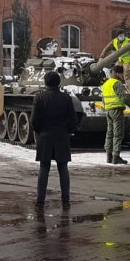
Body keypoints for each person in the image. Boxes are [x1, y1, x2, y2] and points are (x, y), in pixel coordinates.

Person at [30, 71, 79, 210]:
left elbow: (34, 121)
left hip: (45, 137)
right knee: (63, 168)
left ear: (45, 83)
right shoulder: (66, 98)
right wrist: (67, 131)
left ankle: (40, 202)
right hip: (62, 136)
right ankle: (66, 201)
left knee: (44, 168)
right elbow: (73, 120)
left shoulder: (39, 98)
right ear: (59, 82)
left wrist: (40, 132)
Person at [102, 64, 130, 164]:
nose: (123, 76)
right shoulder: (117, 83)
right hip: (117, 110)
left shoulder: (106, 84)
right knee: (118, 133)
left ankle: (109, 156)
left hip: (108, 110)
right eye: (122, 74)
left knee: (109, 133)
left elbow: (103, 99)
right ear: (118, 73)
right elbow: (124, 98)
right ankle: (116, 156)